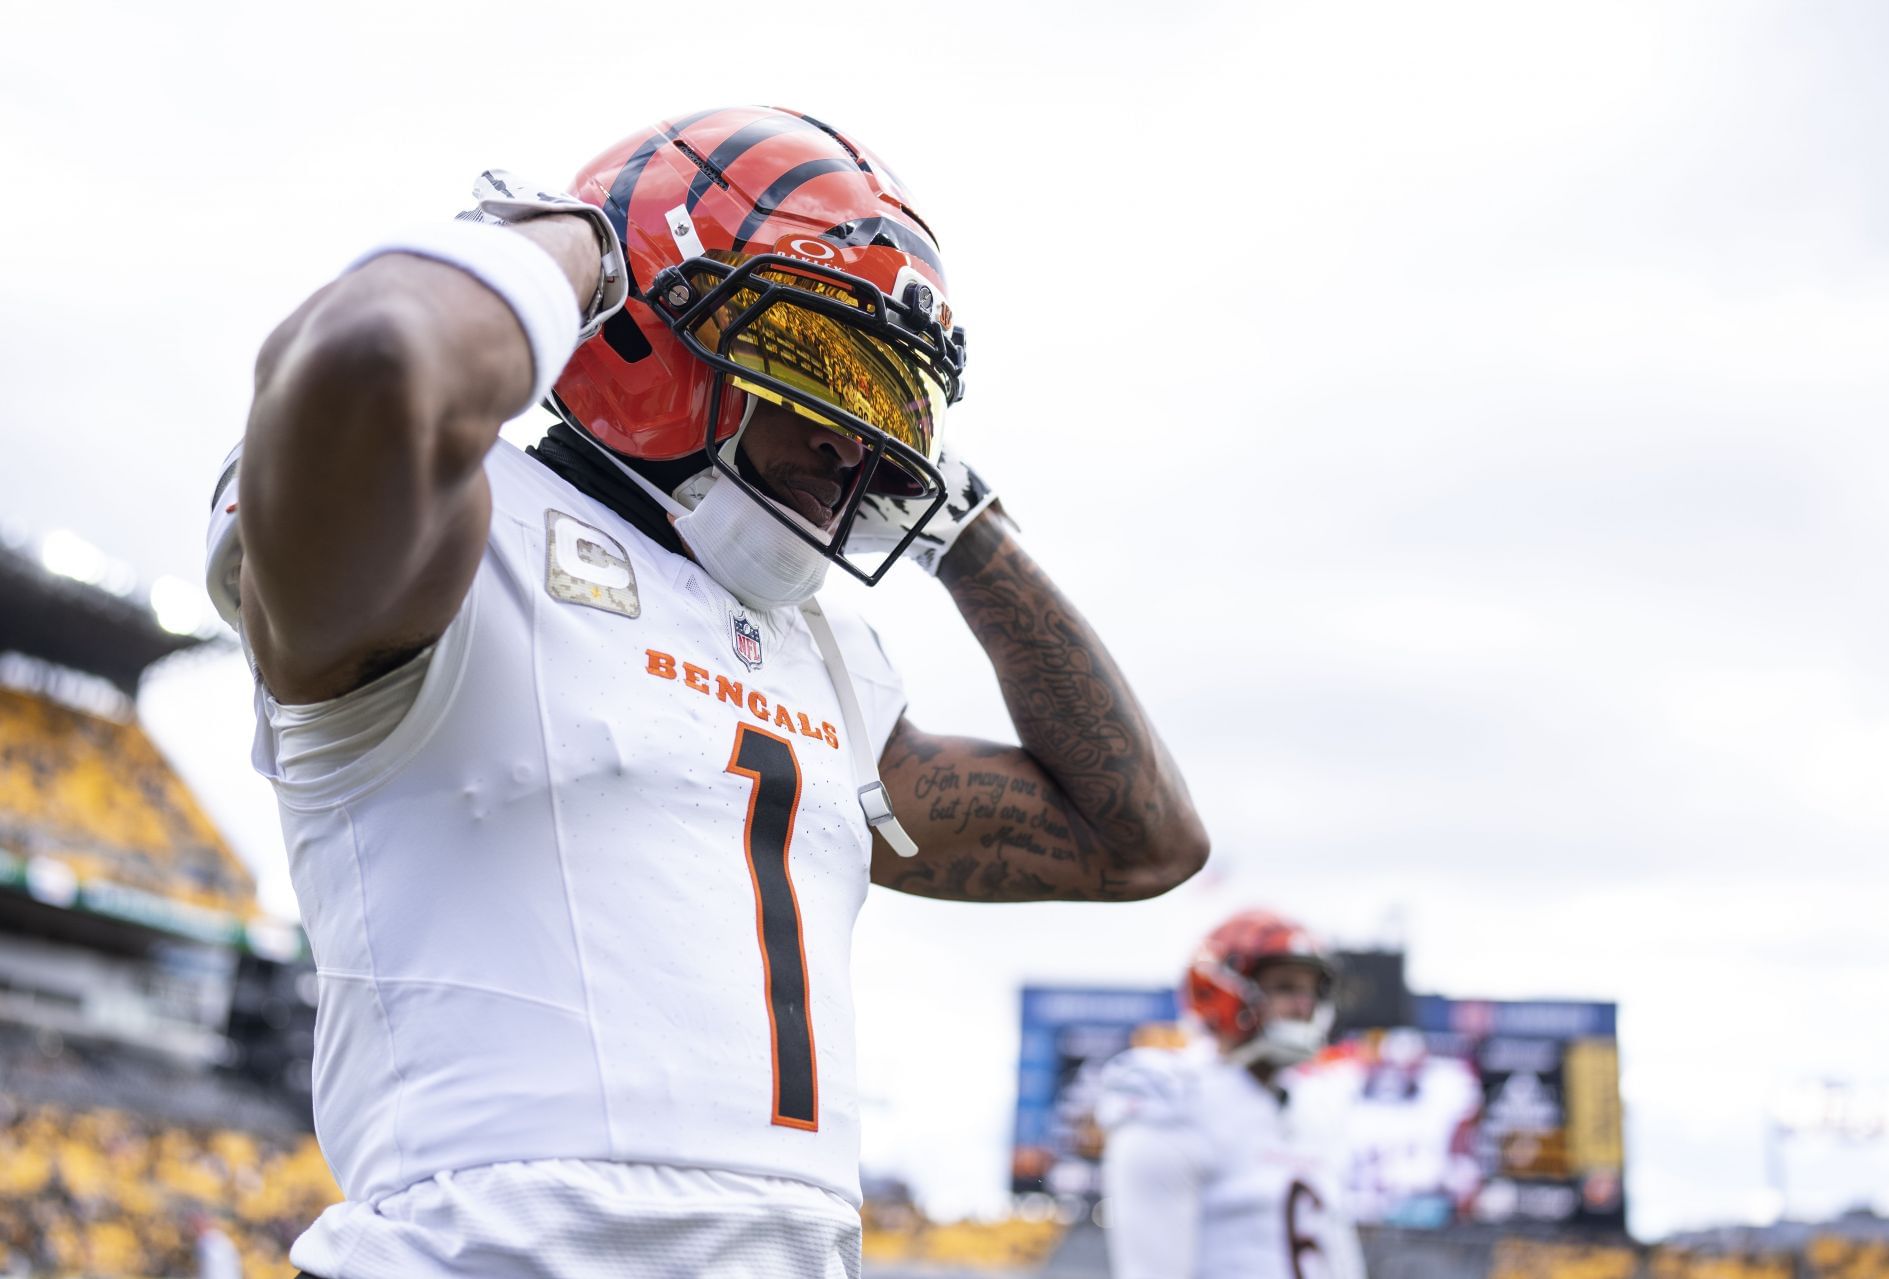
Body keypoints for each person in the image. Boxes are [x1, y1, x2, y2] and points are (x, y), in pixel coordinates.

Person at [203, 105, 1208, 1278]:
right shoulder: (465, 536)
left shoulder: (827, 659)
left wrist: (962, 526)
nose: (858, 445)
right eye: (817, 367)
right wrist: (578, 245)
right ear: (640, 324)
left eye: (890, 404)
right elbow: (368, 365)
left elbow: (1140, 840)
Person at [1097, 910, 1367, 1279]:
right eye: (1286, 987)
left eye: (1310, 991)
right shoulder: (1174, 1097)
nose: (1304, 1007)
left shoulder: (1316, 1105)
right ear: (1223, 990)